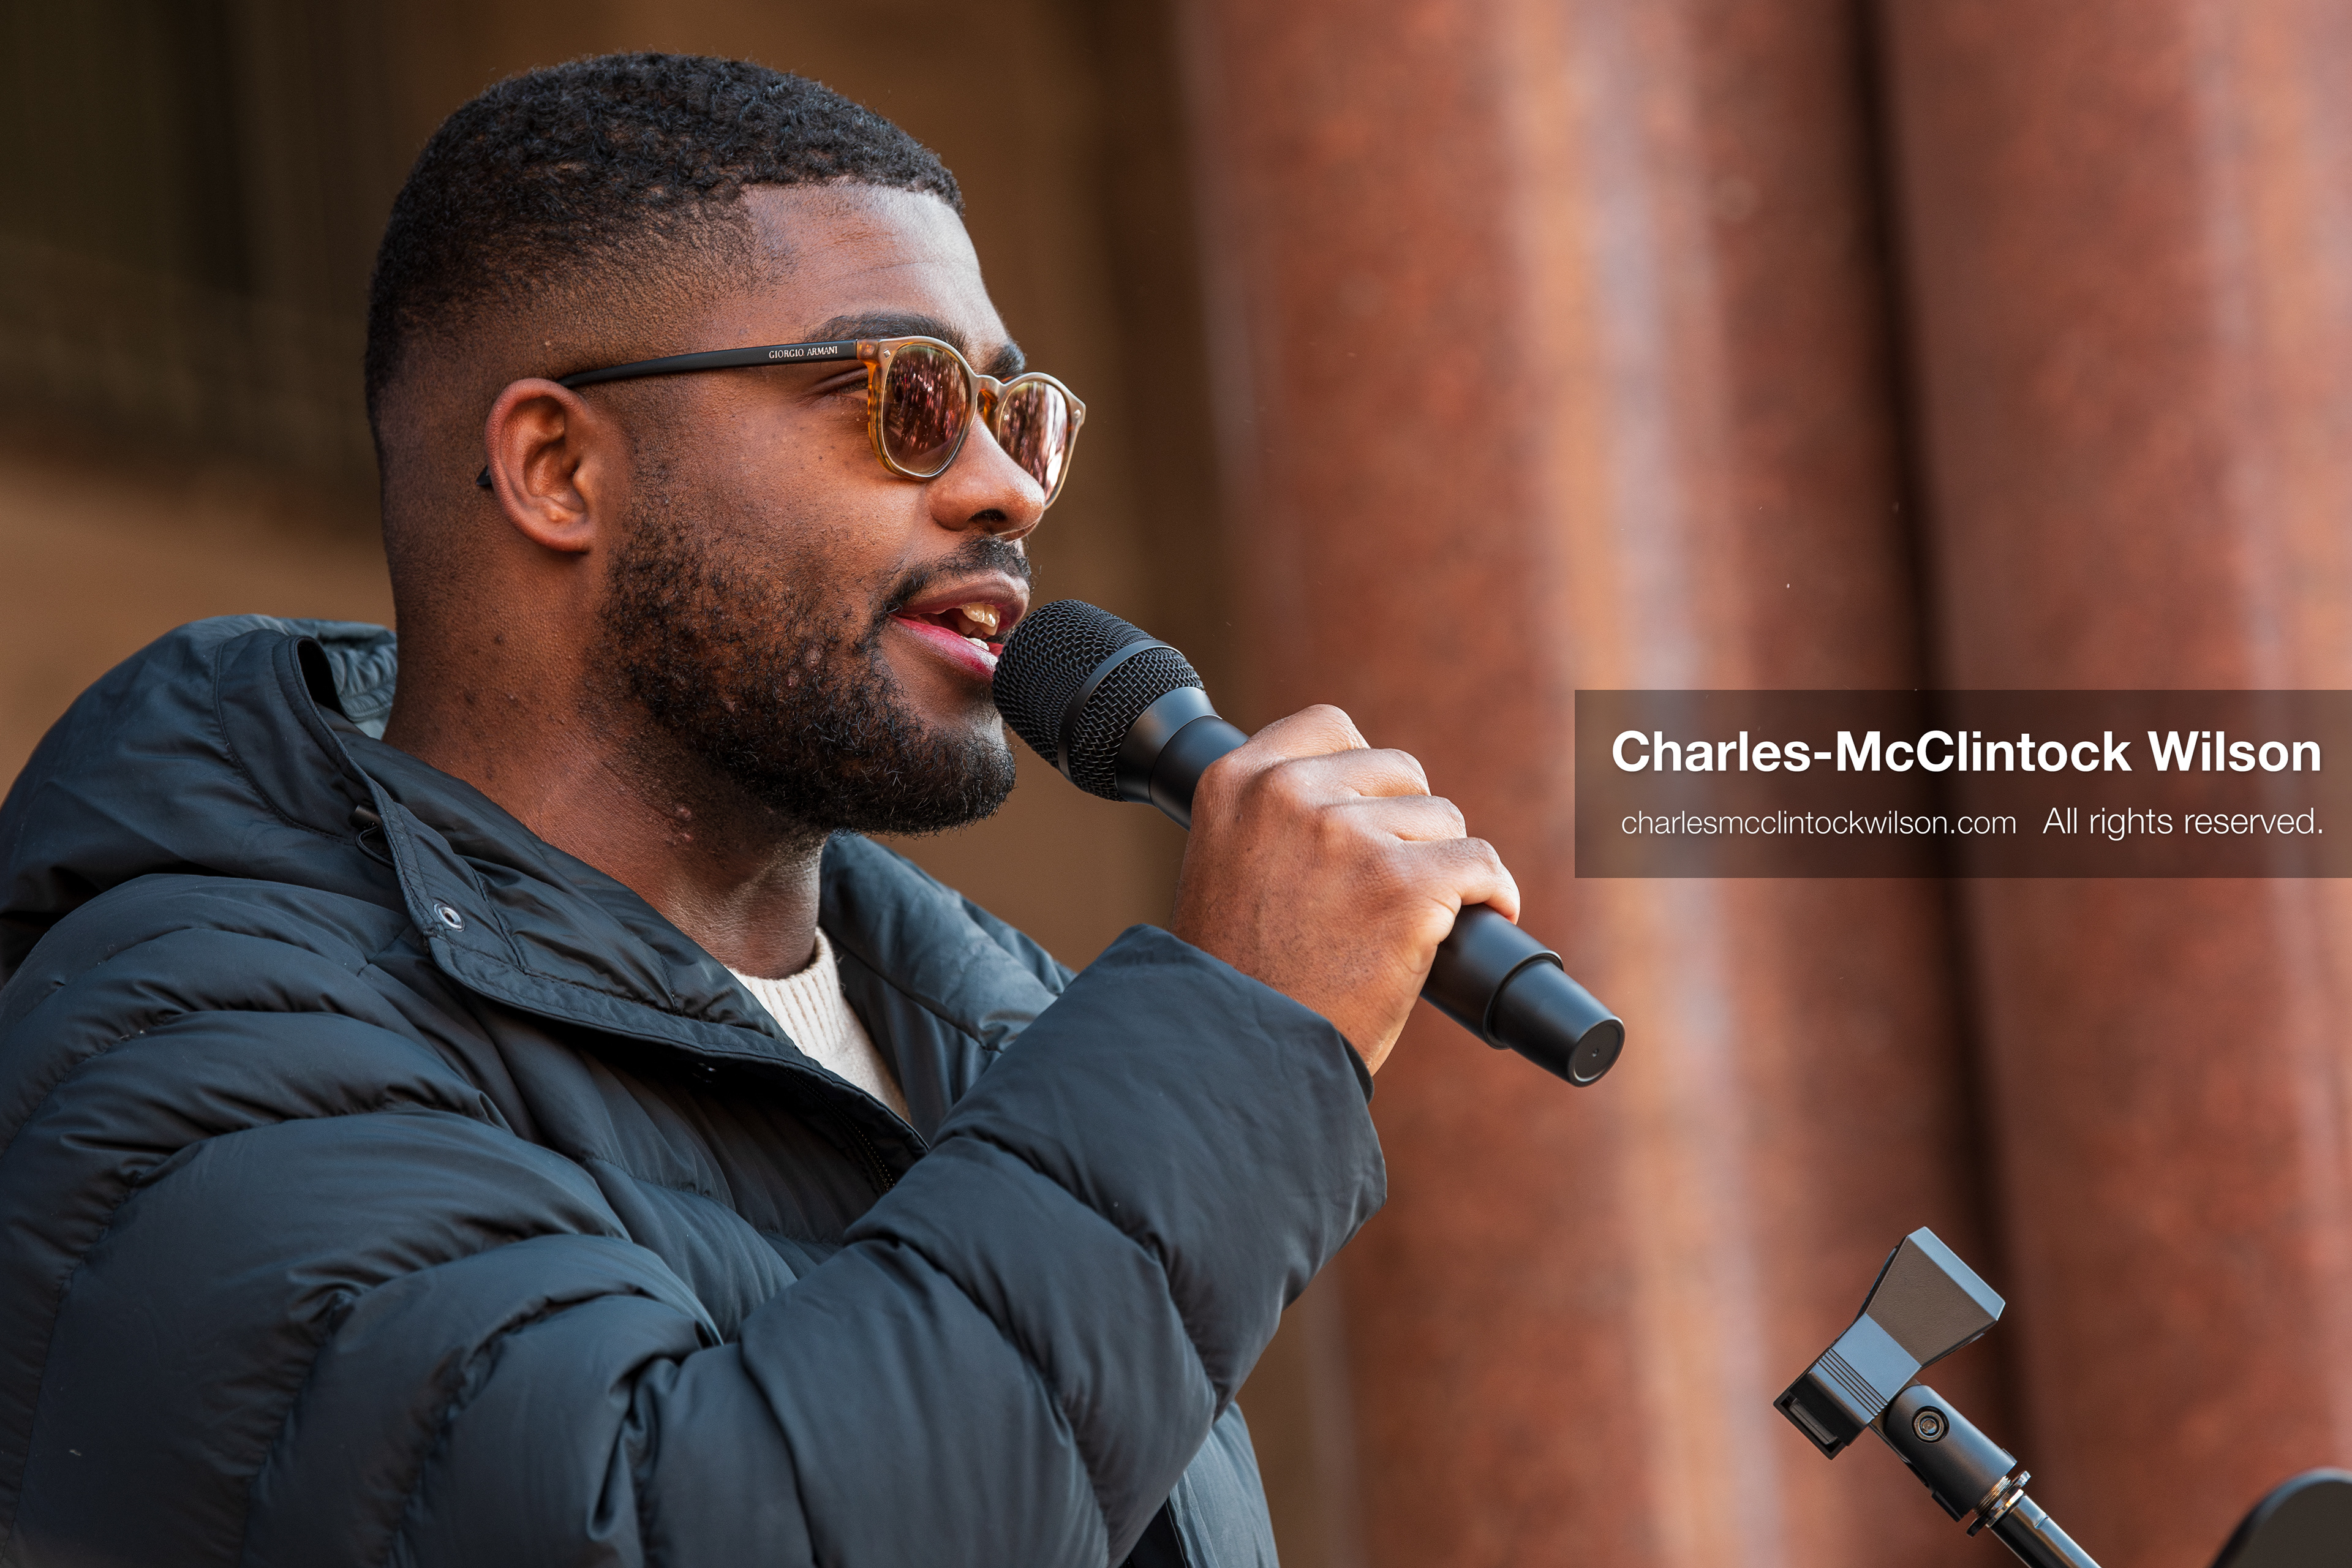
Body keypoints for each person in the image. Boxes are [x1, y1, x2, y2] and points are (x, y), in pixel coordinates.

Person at [0, 54, 1516, 1567]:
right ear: (556, 468)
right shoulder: (184, 1047)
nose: (1006, 488)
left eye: (1021, 414)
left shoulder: (1003, 1040)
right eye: (905, 399)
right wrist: (1227, 1041)